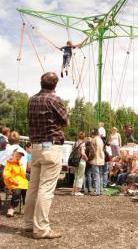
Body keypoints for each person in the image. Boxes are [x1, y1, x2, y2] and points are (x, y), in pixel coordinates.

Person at [24, 72, 69, 239]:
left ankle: (29, 223)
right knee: (46, 189)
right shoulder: (54, 99)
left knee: (33, 187)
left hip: (35, 147)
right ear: (55, 86)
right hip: (50, 147)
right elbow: (66, 121)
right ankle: (41, 228)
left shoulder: (31, 100)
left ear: (41, 83)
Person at [3, 148, 28, 217]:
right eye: (17, 156)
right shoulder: (9, 163)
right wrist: (13, 181)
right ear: (12, 155)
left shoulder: (19, 164)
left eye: (20, 157)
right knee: (17, 192)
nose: (18, 158)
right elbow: (6, 175)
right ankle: (11, 208)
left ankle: (27, 208)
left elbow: (23, 176)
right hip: (12, 183)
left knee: (29, 192)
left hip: (21, 183)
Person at [89, 128, 105, 195]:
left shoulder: (94, 140)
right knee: (100, 176)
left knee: (96, 176)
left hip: (95, 159)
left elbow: (92, 151)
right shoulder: (101, 140)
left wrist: (89, 159)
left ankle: (96, 191)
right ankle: (100, 190)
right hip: (101, 159)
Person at [72, 132, 88, 196]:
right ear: (84, 137)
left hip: (75, 161)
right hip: (81, 161)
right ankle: (77, 191)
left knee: (76, 176)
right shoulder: (83, 144)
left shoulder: (75, 143)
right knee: (80, 176)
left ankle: (73, 191)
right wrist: (86, 159)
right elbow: (82, 153)